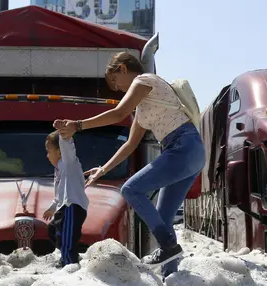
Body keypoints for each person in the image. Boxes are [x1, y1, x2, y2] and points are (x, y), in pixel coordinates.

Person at [53, 52, 205, 272]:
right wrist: (104, 169)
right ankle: (171, 276)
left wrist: (77, 125)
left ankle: (169, 246)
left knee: (131, 189)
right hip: (190, 152)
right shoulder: (143, 109)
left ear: (123, 68)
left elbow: (118, 113)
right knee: (163, 217)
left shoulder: (144, 80)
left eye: (115, 82)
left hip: (183, 146)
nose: (118, 89)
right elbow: (130, 145)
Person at [43, 131, 89, 267]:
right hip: (63, 206)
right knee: (53, 230)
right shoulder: (58, 169)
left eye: (48, 151)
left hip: (73, 206)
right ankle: (71, 256)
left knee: (67, 236)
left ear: (59, 152)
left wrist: (64, 134)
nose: (47, 156)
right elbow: (59, 194)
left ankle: (68, 262)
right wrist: (52, 208)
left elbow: (68, 147)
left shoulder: (68, 163)